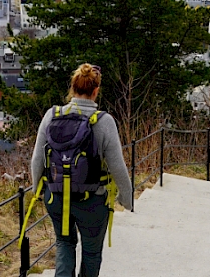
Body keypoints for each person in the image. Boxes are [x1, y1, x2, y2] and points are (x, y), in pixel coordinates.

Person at [30, 63, 133, 277]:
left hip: (57, 197)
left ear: (72, 89)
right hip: (92, 201)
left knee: (64, 243)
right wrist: (127, 198)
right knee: (92, 252)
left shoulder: (52, 115)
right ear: (95, 92)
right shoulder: (104, 122)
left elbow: (37, 159)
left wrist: (37, 189)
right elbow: (118, 167)